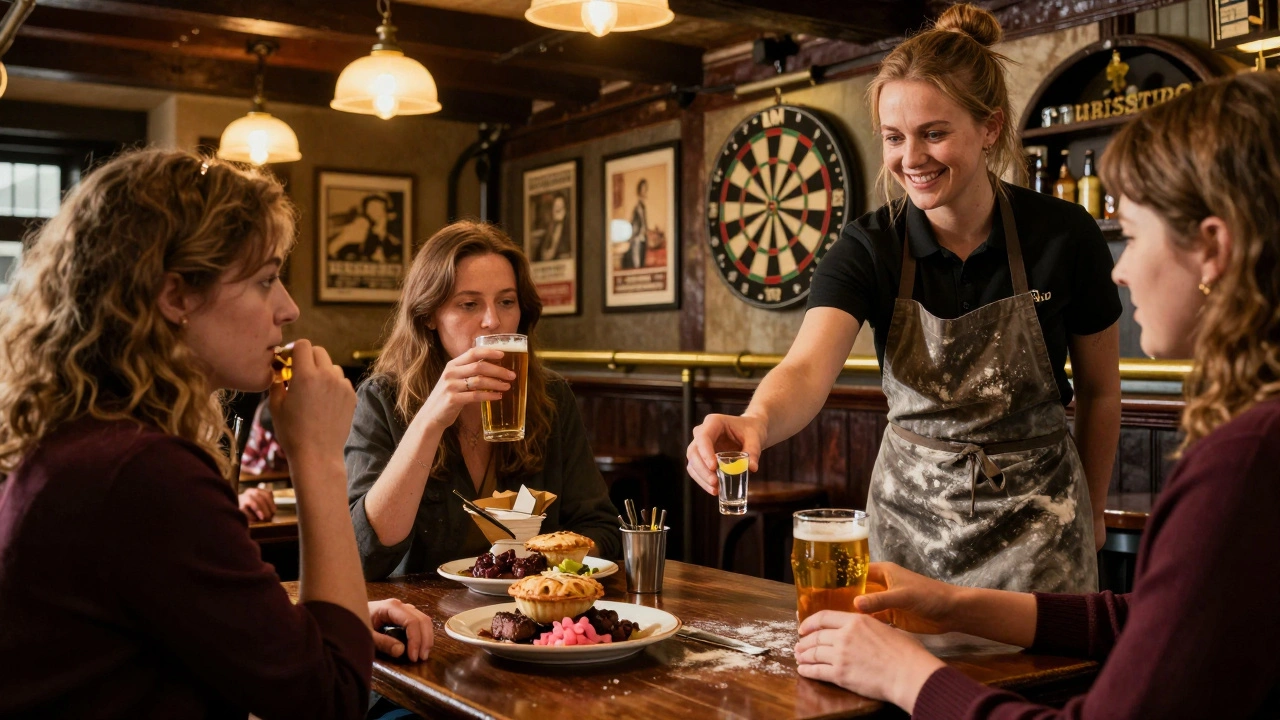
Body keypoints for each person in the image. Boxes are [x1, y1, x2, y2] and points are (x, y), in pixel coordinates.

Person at [793, 70, 1280, 720]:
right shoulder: (1258, 441)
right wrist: (952, 602)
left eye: (1132, 236)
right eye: (895, 136)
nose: (1120, 270)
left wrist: (911, 677)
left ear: (1214, 246)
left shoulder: (1243, 462)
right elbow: (1150, 620)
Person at [687, 3, 1121, 593]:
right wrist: (756, 419)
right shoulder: (870, 246)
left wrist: (1093, 508)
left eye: (934, 133)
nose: (910, 159)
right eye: (894, 138)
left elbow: (1101, 389)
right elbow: (807, 368)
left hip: (1043, 527)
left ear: (990, 127)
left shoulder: (1065, 236)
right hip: (910, 534)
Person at [0, 149, 432, 718]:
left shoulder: (86, 438)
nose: (289, 308)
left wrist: (308, 620)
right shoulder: (144, 472)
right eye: (266, 279)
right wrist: (318, 456)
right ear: (176, 295)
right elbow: (328, 701)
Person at [346, 220, 621, 580]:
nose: (493, 321)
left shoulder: (551, 397)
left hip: (531, 622)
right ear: (429, 314)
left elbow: (600, 527)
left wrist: (549, 566)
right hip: (420, 622)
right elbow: (363, 555)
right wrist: (430, 421)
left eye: (506, 302)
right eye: (469, 304)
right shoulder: (382, 399)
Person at [622, 178, 649, 269]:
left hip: (642, 238)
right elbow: (635, 224)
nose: (644, 192)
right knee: (636, 263)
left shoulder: (643, 206)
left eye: (645, 189)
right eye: (643, 189)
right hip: (637, 239)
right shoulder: (637, 208)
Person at [536, 192, 572, 262]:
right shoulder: (548, 231)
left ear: (565, 209)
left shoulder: (570, 230)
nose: (557, 209)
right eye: (555, 207)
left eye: (560, 207)